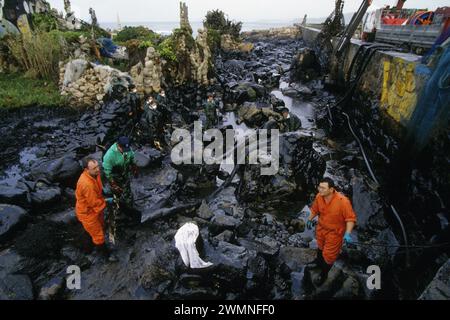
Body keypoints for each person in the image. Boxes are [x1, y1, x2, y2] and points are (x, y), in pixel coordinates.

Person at [306, 177, 357, 285]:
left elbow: (350, 219)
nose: (320, 190)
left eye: (323, 188)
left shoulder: (343, 202)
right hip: (321, 228)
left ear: (331, 189)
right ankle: (318, 263)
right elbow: (315, 209)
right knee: (320, 247)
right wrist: (310, 218)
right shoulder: (319, 197)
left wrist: (347, 233)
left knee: (329, 256)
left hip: (335, 233)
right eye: (319, 187)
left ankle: (324, 274)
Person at [75, 157, 117, 261]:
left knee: (101, 226)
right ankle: (106, 255)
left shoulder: (95, 174)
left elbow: (98, 187)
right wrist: (107, 202)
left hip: (95, 209)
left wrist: (103, 192)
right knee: (98, 235)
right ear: (86, 170)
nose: (98, 169)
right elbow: (94, 203)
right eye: (94, 168)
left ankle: (91, 242)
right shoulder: (86, 184)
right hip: (87, 213)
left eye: (98, 166)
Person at [102, 136, 138, 244]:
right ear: (118, 145)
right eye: (123, 148)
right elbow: (107, 172)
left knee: (127, 192)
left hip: (125, 175)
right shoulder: (109, 156)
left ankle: (130, 207)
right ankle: (117, 209)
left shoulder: (128, 150)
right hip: (115, 177)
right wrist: (113, 184)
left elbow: (132, 159)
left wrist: (135, 169)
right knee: (117, 194)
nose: (125, 150)